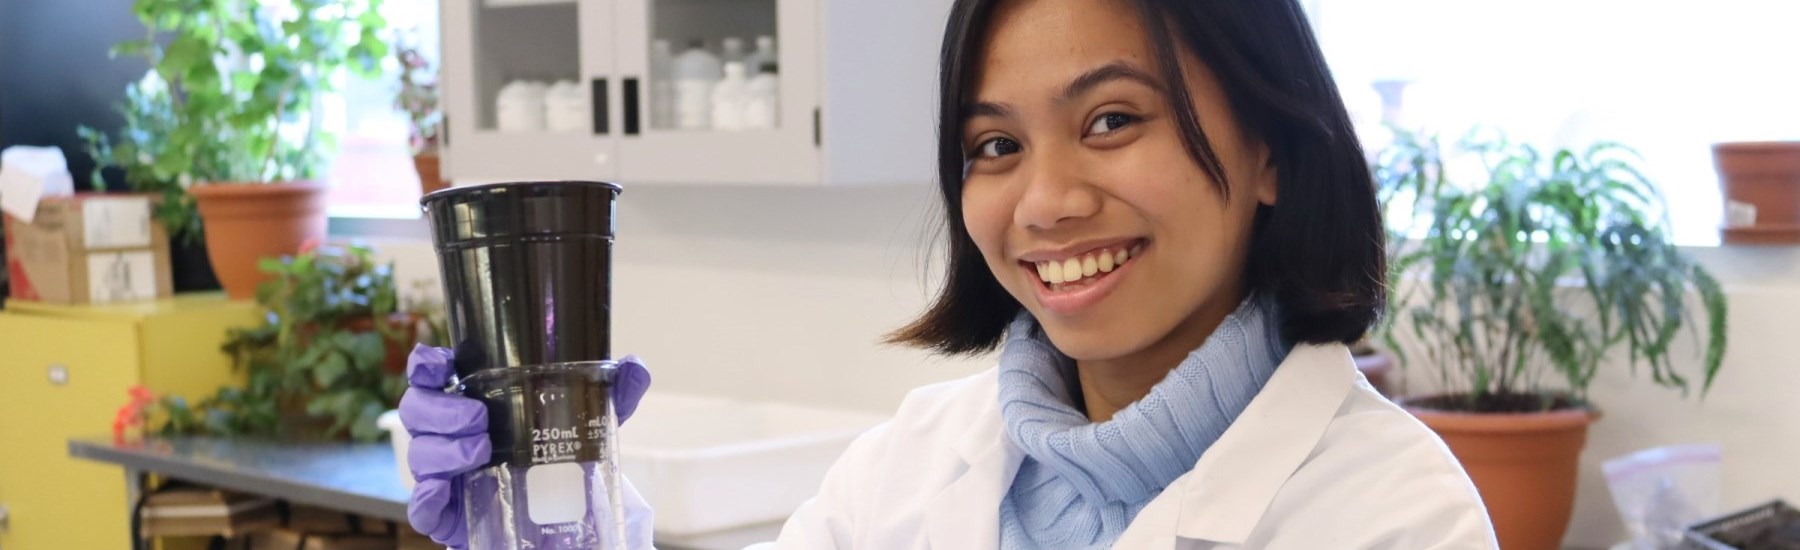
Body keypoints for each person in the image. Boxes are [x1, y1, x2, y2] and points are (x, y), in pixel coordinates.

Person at [403, 0, 1499, 547]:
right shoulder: (910, 466)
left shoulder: (1391, 512)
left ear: (1269, 147)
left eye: (1112, 120)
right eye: (995, 146)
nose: (1045, 199)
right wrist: (558, 523)